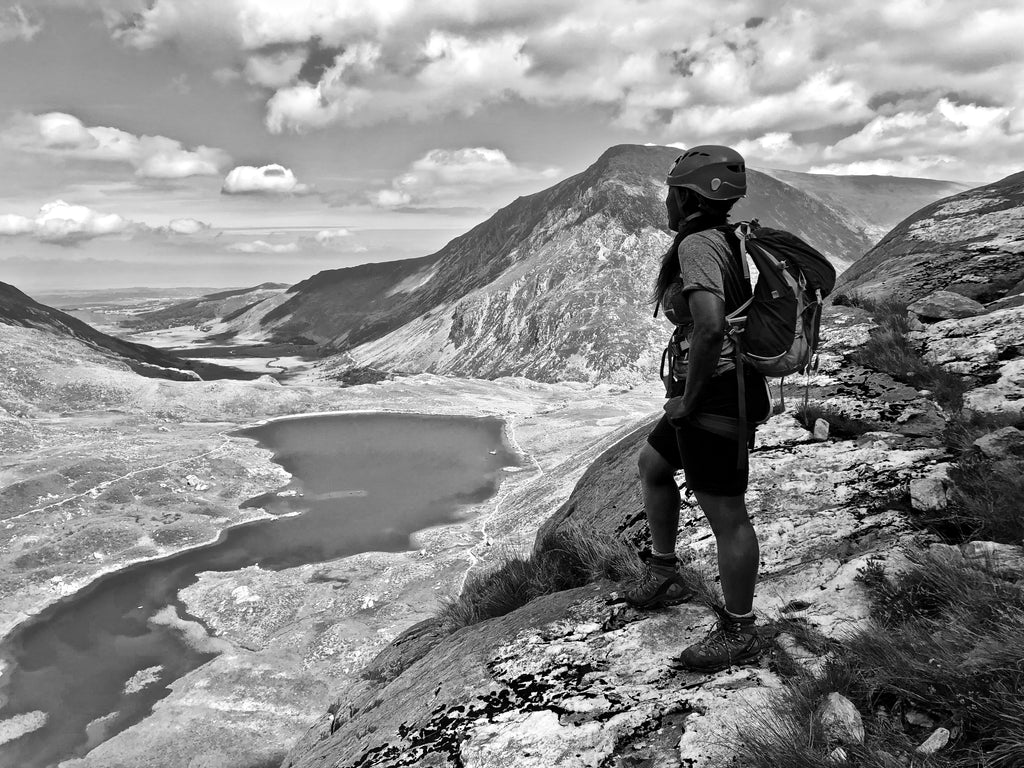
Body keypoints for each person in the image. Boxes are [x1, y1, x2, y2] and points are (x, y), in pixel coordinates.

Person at [625, 145, 771, 672]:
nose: (665, 201)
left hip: (714, 392)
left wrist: (686, 399)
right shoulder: (728, 236)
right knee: (653, 464)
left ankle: (740, 629)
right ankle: (664, 569)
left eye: (671, 191)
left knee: (727, 514)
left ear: (689, 196)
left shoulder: (698, 245)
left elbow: (709, 325)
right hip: (715, 385)